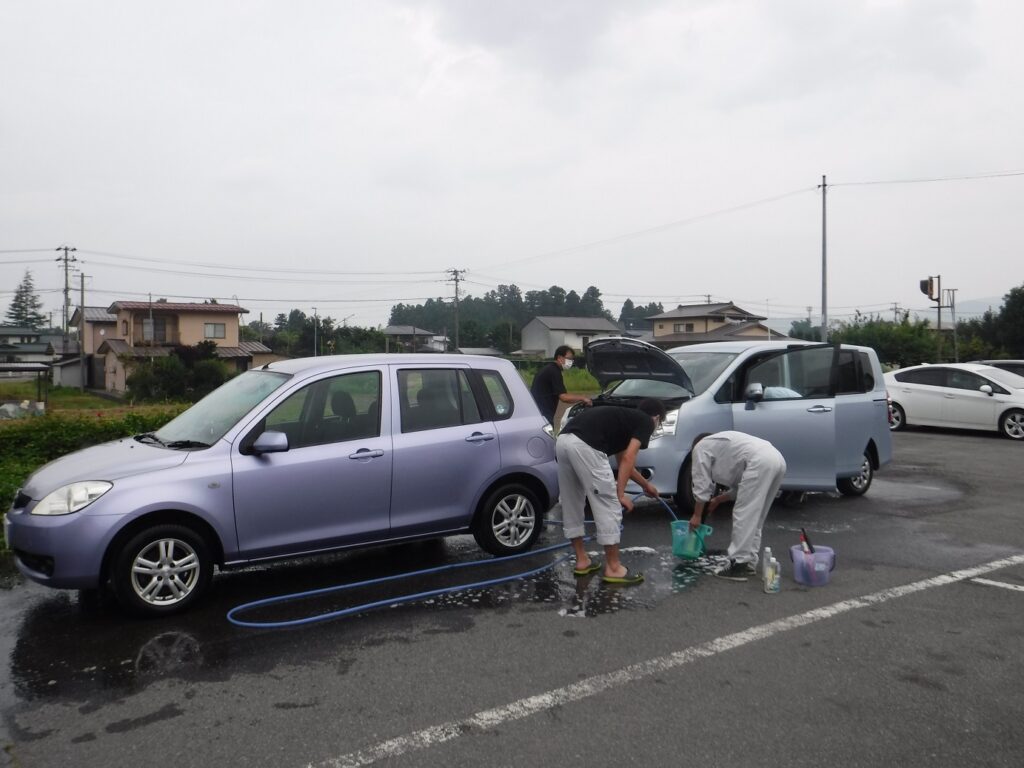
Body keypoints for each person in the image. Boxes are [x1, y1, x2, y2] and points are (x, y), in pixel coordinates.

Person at [556, 398, 666, 585]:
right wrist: (620, 494)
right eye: (660, 423)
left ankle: (582, 561)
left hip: (563, 441)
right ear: (656, 418)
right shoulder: (646, 422)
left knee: (572, 501)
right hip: (585, 445)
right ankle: (614, 568)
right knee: (608, 505)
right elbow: (629, 458)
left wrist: (645, 486)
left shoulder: (623, 420)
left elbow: (626, 462)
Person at [688, 431, 787, 581]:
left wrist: (696, 515)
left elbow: (701, 485)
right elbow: (743, 486)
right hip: (777, 459)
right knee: (756, 516)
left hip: (760, 461)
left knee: (744, 514)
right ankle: (749, 563)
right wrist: (719, 499)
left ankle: (738, 564)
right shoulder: (725, 446)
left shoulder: (700, 447)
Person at [530, 345, 592, 426]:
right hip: (543, 415)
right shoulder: (554, 371)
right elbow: (564, 397)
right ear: (559, 357)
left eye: (572, 360)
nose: (571, 362)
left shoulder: (549, 369)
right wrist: (583, 398)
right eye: (569, 359)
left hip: (537, 413)